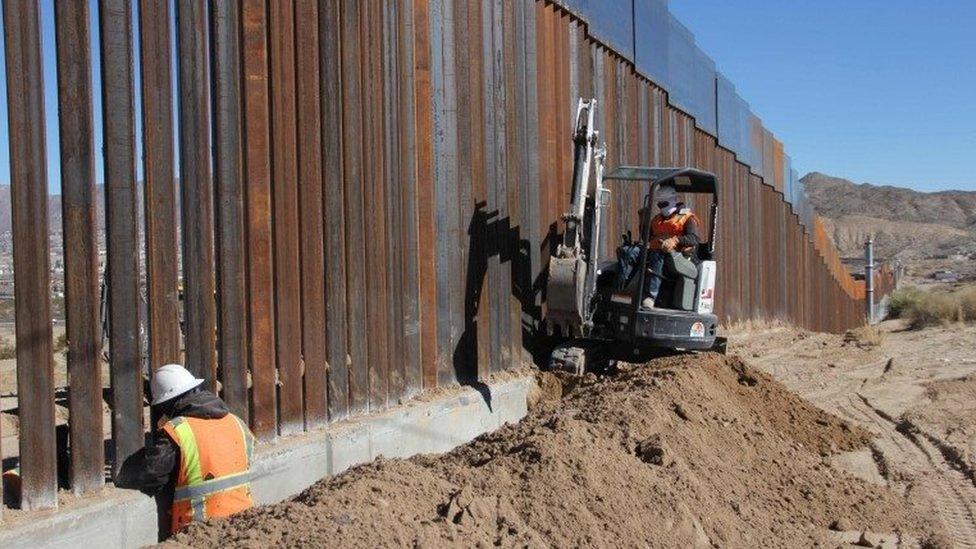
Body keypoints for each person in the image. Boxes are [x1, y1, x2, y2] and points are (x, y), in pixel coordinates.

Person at [137, 363, 255, 534]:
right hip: (244, 521)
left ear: (167, 403)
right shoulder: (236, 422)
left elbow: (152, 476)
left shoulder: (178, 431)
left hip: (199, 529)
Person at [641, 185, 701, 308]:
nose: (661, 206)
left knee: (657, 256)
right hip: (658, 251)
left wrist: (675, 240)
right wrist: (642, 220)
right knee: (632, 252)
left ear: (674, 200)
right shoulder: (657, 220)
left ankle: (650, 297)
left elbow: (694, 239)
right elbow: (646, 237)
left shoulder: (686, 218)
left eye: (664, 203)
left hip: (680, 257)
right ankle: (625, 290)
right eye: (659, 204)